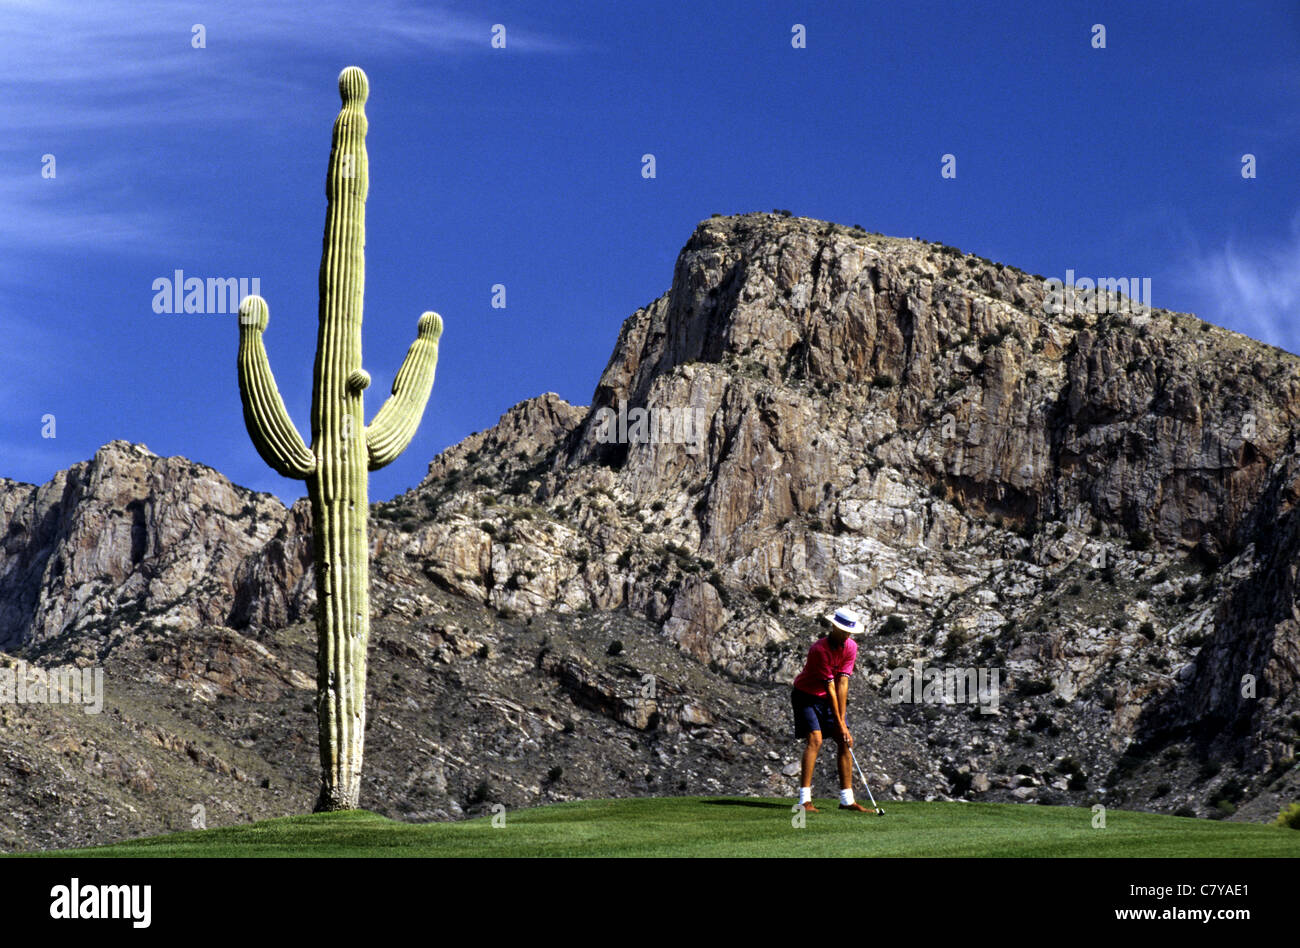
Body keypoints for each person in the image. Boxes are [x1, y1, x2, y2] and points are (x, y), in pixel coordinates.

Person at [791, 607, 869, 812]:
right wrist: (840, 722)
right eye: (843, 631)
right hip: (806, 696)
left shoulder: (851, 647)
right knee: (815, 740)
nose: (846, 636)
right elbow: (830, 687)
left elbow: (843, 684)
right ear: (833, 627)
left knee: (845, 741)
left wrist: (841, 722)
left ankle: (847, 800)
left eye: (849, 632)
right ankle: (804, 801)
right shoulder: (819, 650)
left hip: (827, 698)